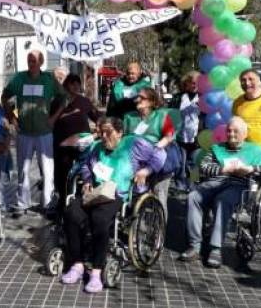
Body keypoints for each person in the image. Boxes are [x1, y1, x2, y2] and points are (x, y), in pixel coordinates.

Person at [61, 117, 166, 293]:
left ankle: (96, 271)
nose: (103, 136)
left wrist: (145, 170)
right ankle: (77, 265)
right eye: (101, 132)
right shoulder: (96, 147)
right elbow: (87, 165)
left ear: (119, 133)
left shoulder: (133, 144)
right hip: (96, 192)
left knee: (99, 218)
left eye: (107, 132)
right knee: (71, 212)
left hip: (117, 194)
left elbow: (160, 154)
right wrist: (87, 180)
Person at [179, 117, 261, 268]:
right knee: (193, 196)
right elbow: (203, 166)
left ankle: (215, 248)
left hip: (240, 185)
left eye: (235, 131)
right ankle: (195, 246)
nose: (231, 134)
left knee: (222, 200)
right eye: (229, 131)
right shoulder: (217, 148)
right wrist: (222, 169)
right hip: (215, 181)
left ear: (245, 134)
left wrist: (252, 169)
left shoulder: (256, 150)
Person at [1, 45, 66, 214]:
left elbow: (63, 98)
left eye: (35, 60)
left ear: (42, 62)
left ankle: (47, 202)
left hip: (44, 131)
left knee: (47, 169)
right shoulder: (19, 78)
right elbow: (4, 97)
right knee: (23, 169)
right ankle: (23, 202)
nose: (32, 63)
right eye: (29, 60)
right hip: (24, 132)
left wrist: (54, 117)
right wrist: (12, 118)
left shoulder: (49, 79)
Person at [123, 87, 181, 217]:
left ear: (152, 102)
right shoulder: (129, 117)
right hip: (134, 160)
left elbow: (169, 136)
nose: (137, 99)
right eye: (136, 97)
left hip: (158, 158)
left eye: (142, 98)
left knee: (158, 198)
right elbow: (123, 138)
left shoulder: (161, 116)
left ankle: (159, 232)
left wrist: (158, 146)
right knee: (136, 195)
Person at [53, 74, 100, 211]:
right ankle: (62, 202)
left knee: (84, 172)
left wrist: (100, 126)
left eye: (77, 83)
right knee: (62, 175)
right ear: (66, 85)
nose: (75, 86)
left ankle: (81, 201)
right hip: (62, 145)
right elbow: (49, 121)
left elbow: (96, 116)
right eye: (72, 83)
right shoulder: (57, 101)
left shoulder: (84, 101)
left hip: (82, 145)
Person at [171, 71, 201, 191]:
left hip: (196, 137)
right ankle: (180, 185)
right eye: (192, 83)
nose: (195, 85)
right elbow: (171, 114)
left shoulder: (204, 98)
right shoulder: (179, 97)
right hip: (180, 136)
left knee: (194, 164)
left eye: (198, 83)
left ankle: (193, 186)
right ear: (186, 84)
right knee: (180, 164)